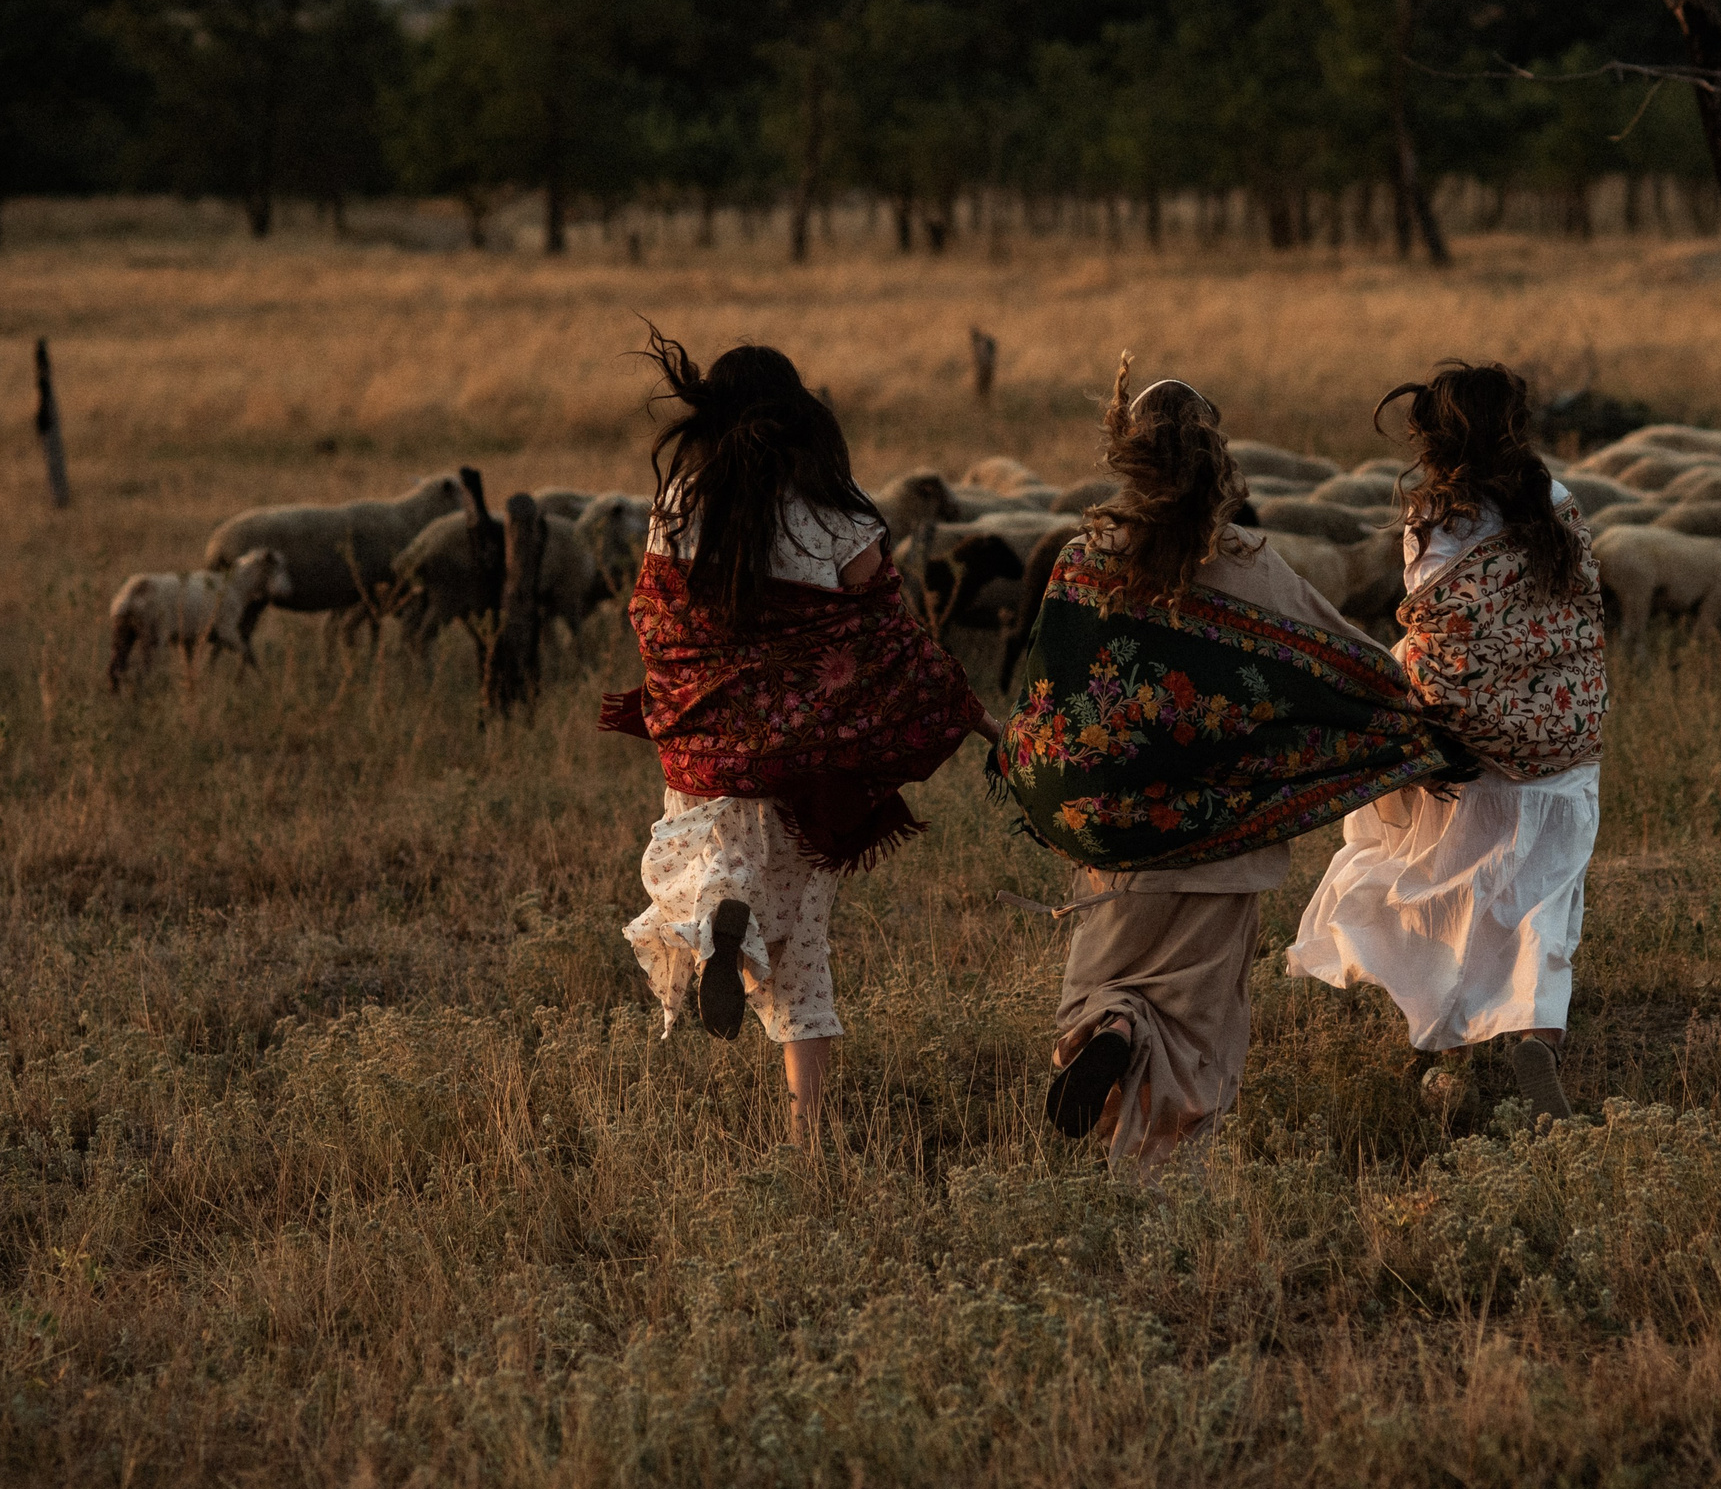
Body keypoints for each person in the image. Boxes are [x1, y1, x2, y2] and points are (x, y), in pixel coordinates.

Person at [992, 357, 1470, 1166]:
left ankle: (1108, 1028)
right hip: (1222, 841)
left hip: (1112, 840)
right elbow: (1341, 660)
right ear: (1217, 459)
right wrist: (1415, 726)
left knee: (1109, 986)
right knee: (1196, 1019)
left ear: (1126, 455)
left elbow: (1048, 688)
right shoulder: (1250, 563)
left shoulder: (1084, 556)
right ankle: (1164, 1193)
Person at [602, 332, 999, 1146]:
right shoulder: (839, 515)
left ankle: (721, 919)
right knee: (803, 947)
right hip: (805, 764)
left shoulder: (679, 506)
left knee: (699, 862)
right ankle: (807, 1129)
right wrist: (978, 716)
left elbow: (656, 619)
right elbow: (890, 637)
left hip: (710, 749)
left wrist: (706, 697)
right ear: (798, 416)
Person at [1285, 362, 1609, 1122]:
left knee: (1453, 887)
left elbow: (1443, 635)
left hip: (1470, 747)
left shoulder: (1437, 524)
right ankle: (1538, 1031)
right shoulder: (1560, 503)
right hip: (1560, 747)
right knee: (1543, 905)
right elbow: (1576, 615)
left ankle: (1450, 1054)